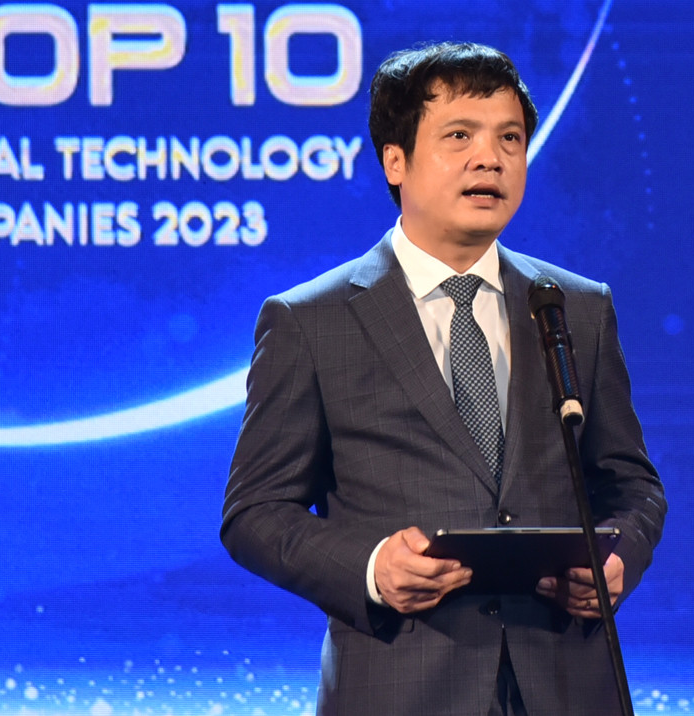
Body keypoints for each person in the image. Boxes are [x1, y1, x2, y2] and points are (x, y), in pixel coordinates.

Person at [221, 41, 666, 716]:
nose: (490, 158)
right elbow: (255, 513)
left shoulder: (576, 307)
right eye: (459, 136)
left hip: (568, 685)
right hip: (402, 689)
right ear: (394, 161)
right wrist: (372, 568)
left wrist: (617, 559)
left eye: (509, 138)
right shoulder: (310, 321)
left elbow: (631, 485)